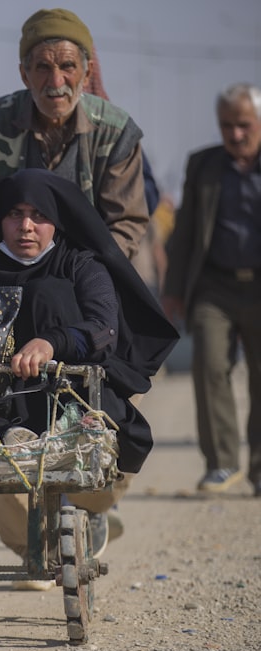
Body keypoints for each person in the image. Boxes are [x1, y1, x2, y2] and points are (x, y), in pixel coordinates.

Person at [0, 169, 176, 587]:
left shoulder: (80, 263)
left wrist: (52, 342)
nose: (25, 226)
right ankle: (34, 550)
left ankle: (91, 513)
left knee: (105, 447)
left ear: (56, 221)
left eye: (38, 215)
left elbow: (102, 327)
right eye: (15, 214)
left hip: (71, 395)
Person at [0, 8, 149, 255]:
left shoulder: (115, 132)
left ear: (87, 72)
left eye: (67, 66)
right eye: (43, 68)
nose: (56, 82)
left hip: (83, 273)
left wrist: (94, 275)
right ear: (24, 75)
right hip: (0, 271)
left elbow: (126, 224)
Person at [162, 83, 261, 497]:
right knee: (209, 367)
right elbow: (184, 232)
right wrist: (173, 290)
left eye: (243, 125)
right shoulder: (203, 165)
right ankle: (221, 464)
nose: (235, 134)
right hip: (213, 287)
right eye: (227, 126)